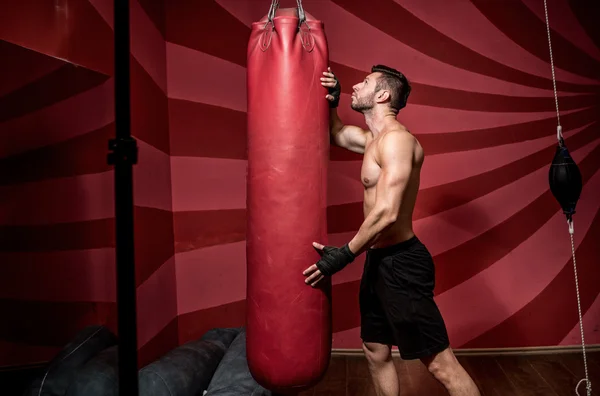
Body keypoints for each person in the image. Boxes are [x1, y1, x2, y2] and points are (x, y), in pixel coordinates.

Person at [302, 65, 481, 396]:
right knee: (375, 349)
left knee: (441, 364)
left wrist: (343, 255)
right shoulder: (373, 139)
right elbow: (337, 133)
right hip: (378, 261)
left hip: (403, 264)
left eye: (365, 83)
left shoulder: (398, 141)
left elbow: (387, 212)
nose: (356, 85)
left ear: (382, 95)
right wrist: (333, 101)